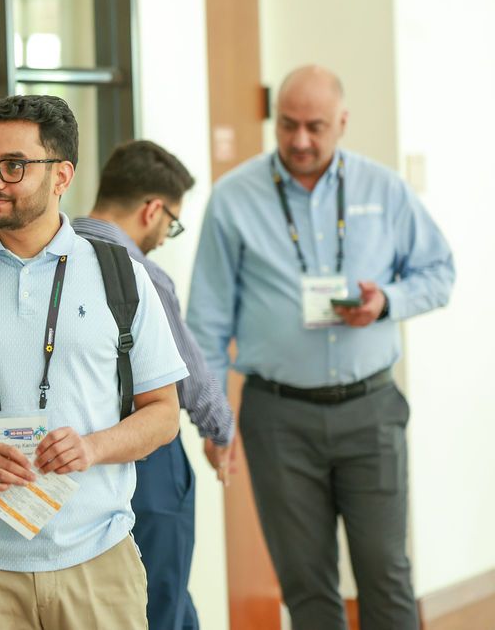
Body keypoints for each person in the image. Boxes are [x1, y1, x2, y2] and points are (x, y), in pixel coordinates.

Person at [0, 95, 188, 630]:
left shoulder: (120, 276)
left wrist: (92, 447)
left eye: (14, 166)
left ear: (61, 176)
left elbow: (163, 413)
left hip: (97, 558)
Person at [188, 65, 454, 630]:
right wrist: (214, 419)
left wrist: (387, 301)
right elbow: (206, 322)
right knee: (306, 584)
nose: (301, 140)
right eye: (288, 125)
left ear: (342, 122)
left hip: (370, 411)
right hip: (278, 417)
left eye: (316, 126)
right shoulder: (234, 199)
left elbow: (439, 272)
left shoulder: (384, 190)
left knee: (386, 573)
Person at [73, 140, 235, 630]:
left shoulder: (50, 259)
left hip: (71, 463)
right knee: (160, 600)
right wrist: (222, 430)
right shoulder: (140, 274)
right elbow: (188, 377)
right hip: (146, 462)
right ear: (152, 210)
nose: (166, 236)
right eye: (172, 223)